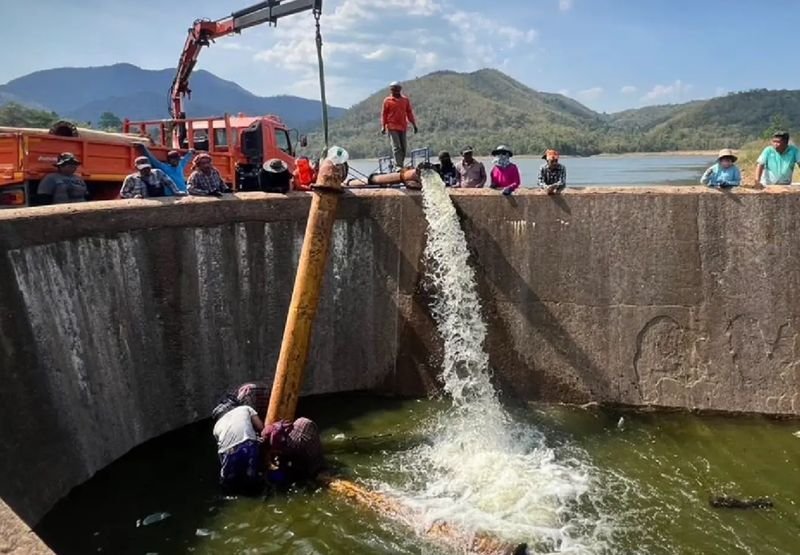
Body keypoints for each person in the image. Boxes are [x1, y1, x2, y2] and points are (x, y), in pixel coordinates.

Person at [212, 394, 265, 494]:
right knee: (252, 479)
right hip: (248, 445)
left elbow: (221, 447)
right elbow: (261, 427)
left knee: (228, 485)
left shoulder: (216, 426)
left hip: (228, 452)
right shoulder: (245, 408)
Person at [381, 81, 418, 169]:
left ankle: (398, 164)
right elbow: (384, 114)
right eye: (393, 89)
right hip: (392, 126)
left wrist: (414, 124)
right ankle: (398, 166)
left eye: (396, 89)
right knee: (396, 147)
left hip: (402, 127)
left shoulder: (405, 100)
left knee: (404, 148)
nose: (395, 91)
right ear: (391, 90)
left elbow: (409, 113)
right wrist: (383, 126)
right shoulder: (387, 101)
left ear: (400, 89)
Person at [120, 157, 186, 199]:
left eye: (148, 168)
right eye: (143, 169)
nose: (146, 170)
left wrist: (176, 192)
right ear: (137, 168)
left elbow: (169, 183)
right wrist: (133, 196)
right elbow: (123, 193)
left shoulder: (157, 173)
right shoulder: (131, 179)